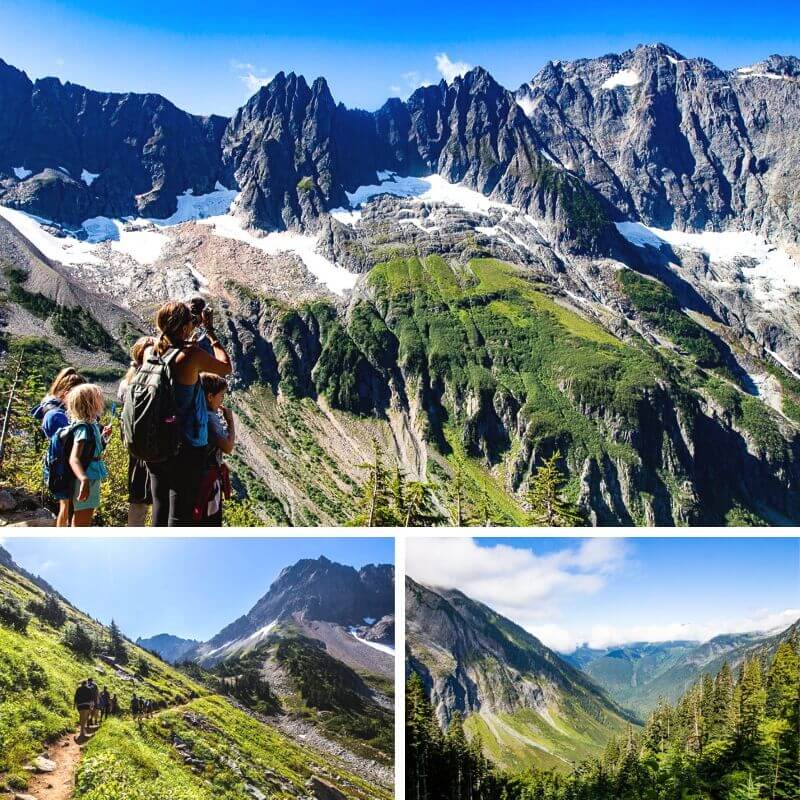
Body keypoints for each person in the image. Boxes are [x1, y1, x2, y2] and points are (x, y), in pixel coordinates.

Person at [146, 301, 231, 526]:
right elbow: (225, 367)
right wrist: (210, 332)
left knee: (160, 506)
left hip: (156, 441)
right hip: (186, 446)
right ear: (185, 328)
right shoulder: (190, 355)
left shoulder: (156, 351)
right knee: (180, 512)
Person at [32, 368, 86, 526]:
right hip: (63, 470)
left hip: (61, 469)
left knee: (66, 508)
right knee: (67, 510)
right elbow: (70, 443)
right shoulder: (56, 415)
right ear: (67, 392)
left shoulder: (53, 409)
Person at [118, 336, 155, 526]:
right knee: (158, 496)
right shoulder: (155, 380)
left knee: (137, 494)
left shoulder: (126, 383)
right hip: (154, 444)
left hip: (133, 445)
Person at [66, 384, 112, 527]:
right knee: (82, 519)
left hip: (91, 474)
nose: (102, 401)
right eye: (99, 399)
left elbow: (92, 451)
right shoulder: (83, 428)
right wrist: (84, 480)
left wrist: (103, 437)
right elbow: (74, 458)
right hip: (87, 477)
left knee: (82, 515)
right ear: (90, 403)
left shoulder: (90, 425)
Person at [196, 373, 236, 525]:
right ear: (210, 397)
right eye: (221, 396)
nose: (222, 401)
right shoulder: (210, 418)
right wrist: (230, 420)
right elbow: (228, 447)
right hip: (208, 479)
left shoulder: (197, 412)